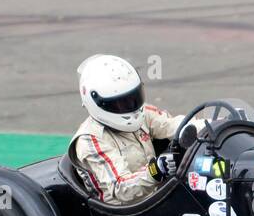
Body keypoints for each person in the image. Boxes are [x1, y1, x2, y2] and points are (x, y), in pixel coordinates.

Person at [71, 54, 183, 205]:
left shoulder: (142, 113)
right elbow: (121, 188)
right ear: (97, 102)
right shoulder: (90, 140)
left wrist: (212, 126)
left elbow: (174, 124)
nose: (130, 106)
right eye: (120, 103)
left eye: (133, 98)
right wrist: (156, 170)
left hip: (157, 200)